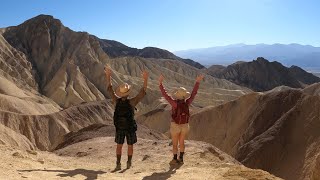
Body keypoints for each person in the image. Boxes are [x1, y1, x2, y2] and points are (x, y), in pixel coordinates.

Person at [105, 65, 148, 170]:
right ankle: (128, 163)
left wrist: (108, 76)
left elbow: (109, 88)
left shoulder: (116, 101)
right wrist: (145, 79)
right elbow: (142, 92)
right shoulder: (132, 102)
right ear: (128, 93)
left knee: (119, 146)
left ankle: (118, 163)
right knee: (130, 146)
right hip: (130, 128)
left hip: (120, 128)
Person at [158, 74, 204, 165]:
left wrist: (160, 84)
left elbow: (166, 95)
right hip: (185, 126)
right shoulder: (187, 102)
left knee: (175, 143)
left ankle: (175, 159)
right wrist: (197, 82)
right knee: (182, 142)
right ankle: (181, 158)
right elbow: (194, 93)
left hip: (175, 125)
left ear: (178, 95)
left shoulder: (174, 104)